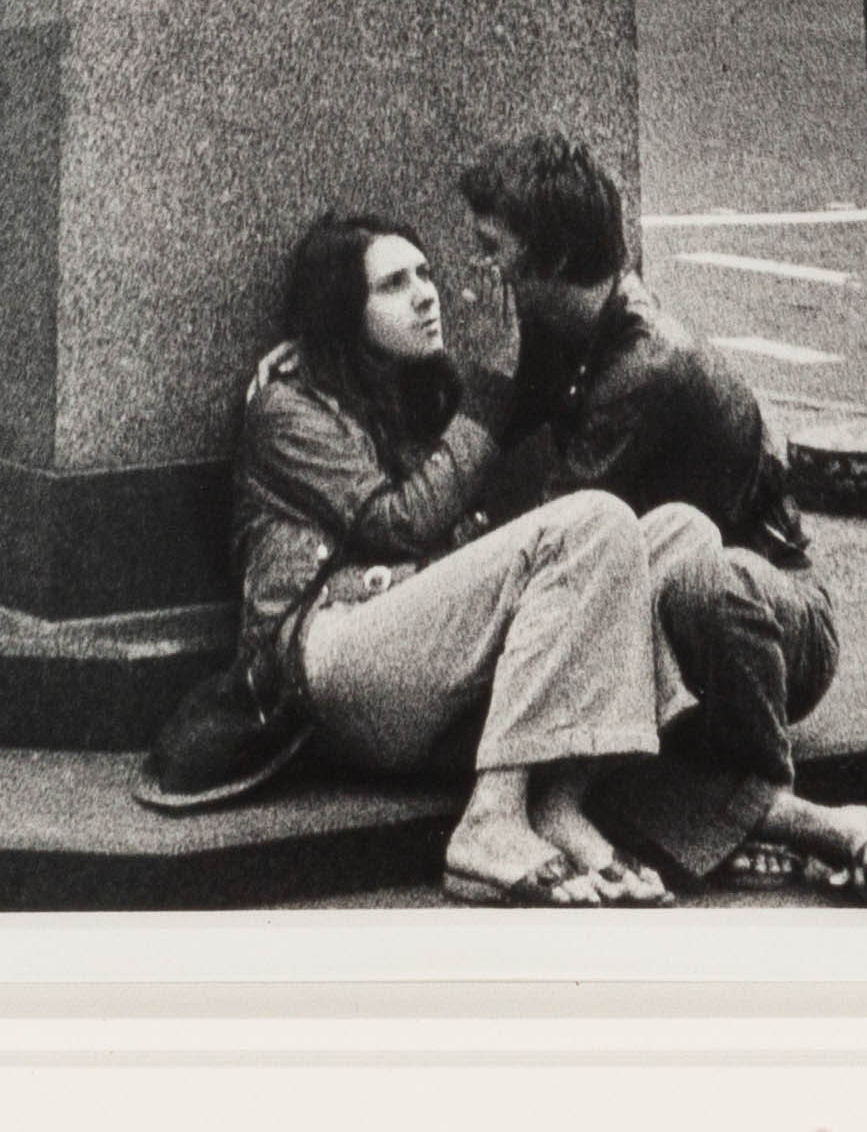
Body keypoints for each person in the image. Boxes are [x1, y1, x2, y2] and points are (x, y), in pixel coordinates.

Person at [459, 130, 867, 906]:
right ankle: (821, 829)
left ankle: (768, 795)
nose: (479, 270)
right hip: (666, 634)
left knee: (691, 564)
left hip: (767, 621)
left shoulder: (646, 367)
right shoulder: (565, 326)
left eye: (490, 248)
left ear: (550, 258)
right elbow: (489, 432)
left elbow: (557, 529)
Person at [221, 212, 680, 905]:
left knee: (672, 534)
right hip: (331, 655)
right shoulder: (284, 409)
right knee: (592, 520)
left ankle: (558, 802)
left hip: (416, 646)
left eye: (427, 273)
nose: (426, 294)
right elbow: (396, 523)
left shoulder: (413, 388)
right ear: (342, 310)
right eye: (393, 284)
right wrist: (495, 376)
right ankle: (491, 819)